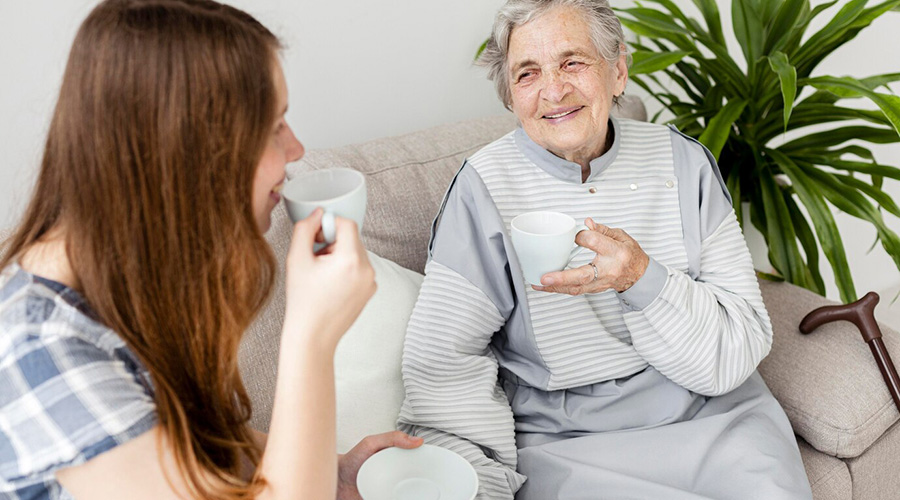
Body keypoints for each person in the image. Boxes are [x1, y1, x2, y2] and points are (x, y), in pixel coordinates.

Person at [0, 1, 422, 499]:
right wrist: (311, 335)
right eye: (272, 128)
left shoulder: (132, 279)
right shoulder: (41, 355)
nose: (296, 150)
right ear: (184, 154)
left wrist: (330, 470)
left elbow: (189, 445)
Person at [397, 0, 813, 498]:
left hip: (714, 417)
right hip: (568, 440)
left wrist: (641, 279)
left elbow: (740, 336)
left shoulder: (683, 162)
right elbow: (443, 362)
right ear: (511, 97)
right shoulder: (483, 188)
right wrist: (481, 480)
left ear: (618, 71)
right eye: (527, 73)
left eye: (573, 62)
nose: (554, 90)